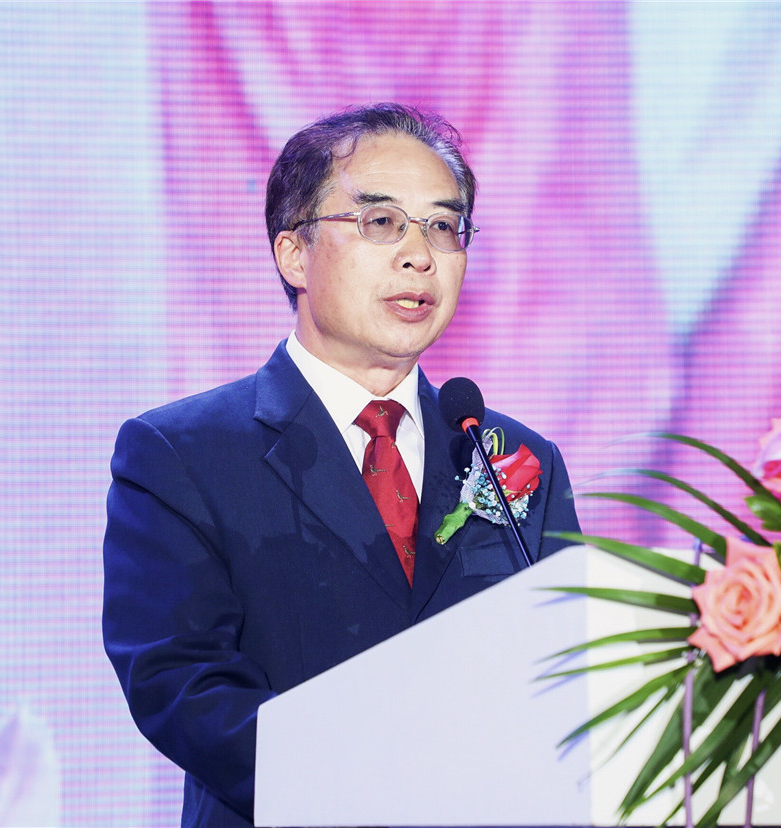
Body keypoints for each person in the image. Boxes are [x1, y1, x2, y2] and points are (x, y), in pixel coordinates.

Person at [102, 103, 580, 827]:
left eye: (444, 226)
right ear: (293, 254)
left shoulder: (516, 457)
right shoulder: (181, 454)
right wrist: (380, 784)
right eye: (381, 222)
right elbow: (183, 685)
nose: (420, 255)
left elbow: (571, 669)